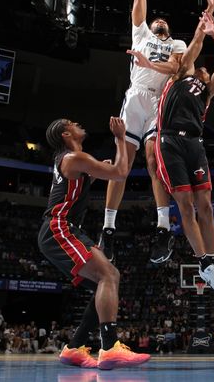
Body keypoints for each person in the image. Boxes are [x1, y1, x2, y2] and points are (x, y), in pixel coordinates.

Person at [100, 0, 214, 265]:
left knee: (156, 162)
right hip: (135, 99)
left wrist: (208, 13)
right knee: (122, 165)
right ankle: (108, 228)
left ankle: (161, 227)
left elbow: (178, 67)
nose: (158, 21)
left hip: (160, 103)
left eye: (163, 22)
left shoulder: (177, 44)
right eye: (155, 20)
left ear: (168, 29)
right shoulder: (140, 35)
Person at [41, 117, 149, 370]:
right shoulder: (73, 157)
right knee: (109, 275)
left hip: (63, 229)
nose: (78, 123)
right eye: (71, 123)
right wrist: (121, 138)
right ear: (66, 135)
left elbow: (73, 189)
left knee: (106, 283)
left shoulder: (70, 162)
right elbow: (121, 173)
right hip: (60, 228)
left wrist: (93, 175)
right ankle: (110, 348)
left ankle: (75, 347)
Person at [148, 11, 214, 294]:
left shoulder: (207, 91)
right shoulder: (180, 74)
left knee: (206, 206)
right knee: (185, 205)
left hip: (195, 144)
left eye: (208, 71)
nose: (206, 70)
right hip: (170, 140)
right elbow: (194, 47)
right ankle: (204, 262)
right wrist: (205, 21)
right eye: (203, 68)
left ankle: (210, 264)